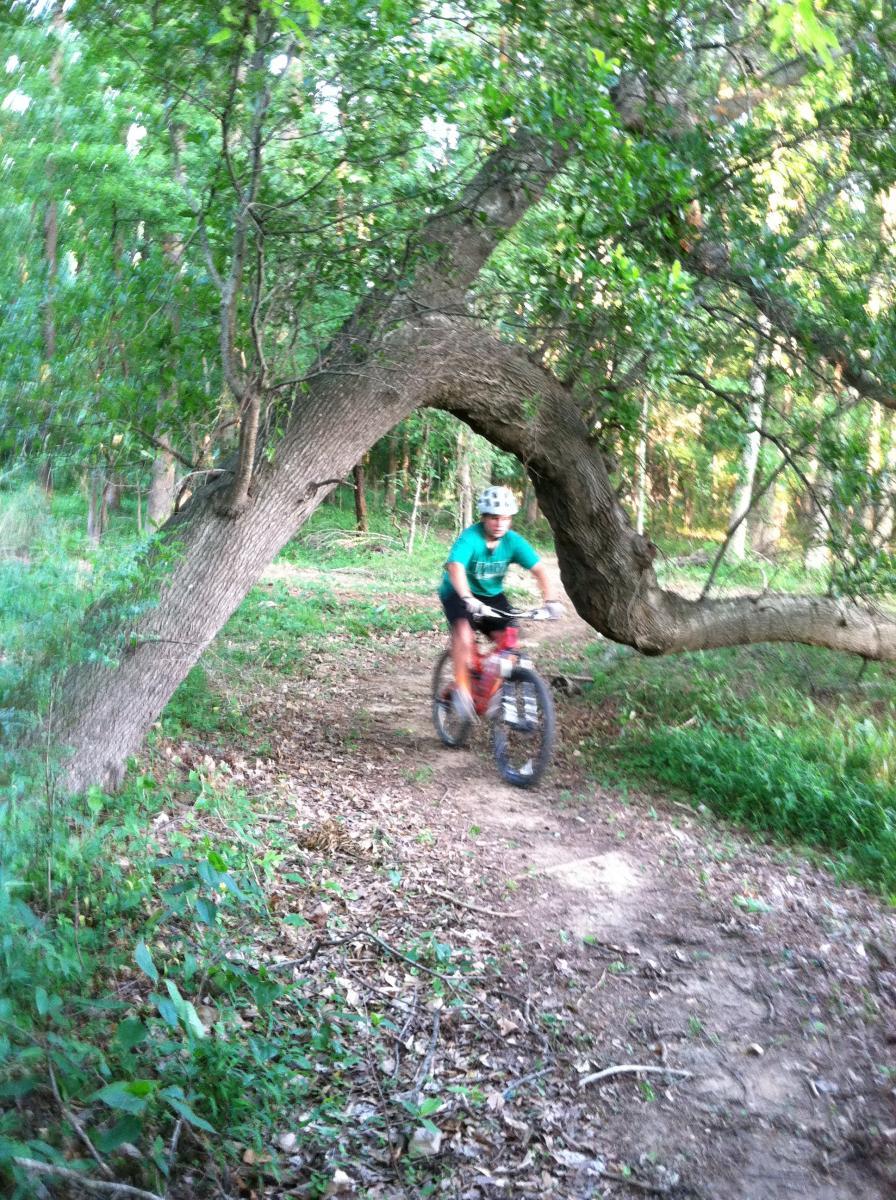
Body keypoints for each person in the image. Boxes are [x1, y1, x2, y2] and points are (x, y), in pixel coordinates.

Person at [438, 485, 564, 722]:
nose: (500, 523)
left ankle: (488, 687)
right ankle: (463, 691)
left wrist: (551, 600)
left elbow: (540, 570)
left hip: (492, 595)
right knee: (464, 635)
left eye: (505, 518)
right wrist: (467, 598)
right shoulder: (470, 538)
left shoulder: (513, 542)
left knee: (509, 645)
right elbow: (455, 567)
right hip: (458, 591)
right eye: (494, 517)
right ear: (484, 517)